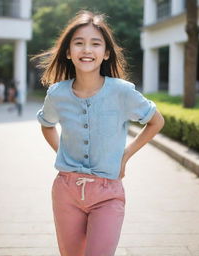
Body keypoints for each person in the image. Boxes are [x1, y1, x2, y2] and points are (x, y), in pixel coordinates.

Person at [34, 10, 165, 256]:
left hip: (108, 193)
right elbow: (47, 124)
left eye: (95, 44)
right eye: (79, 43)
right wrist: (62, 151)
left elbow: (156, 121)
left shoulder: (122, 92)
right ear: (67, 52)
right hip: (66, 192)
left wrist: (125, 156)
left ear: (105, 53)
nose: (87, 50)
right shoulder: (57, 94)